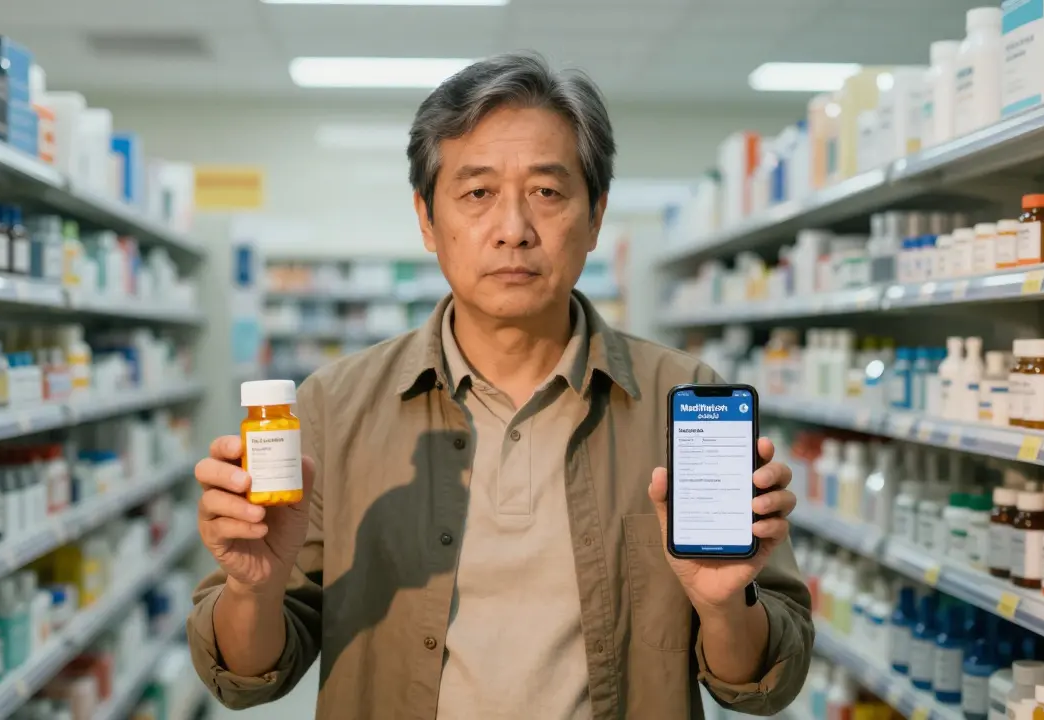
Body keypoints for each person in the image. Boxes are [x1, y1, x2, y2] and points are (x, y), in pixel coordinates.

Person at [189, 52, 812, 719]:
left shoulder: (681, 399)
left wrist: (724, 607)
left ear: (595, 216)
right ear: (427, 220)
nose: (513, 230)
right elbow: (249, 677)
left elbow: (763, 680)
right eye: (477, 193)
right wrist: (253, 591)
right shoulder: (335, 407)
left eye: (547, 191)